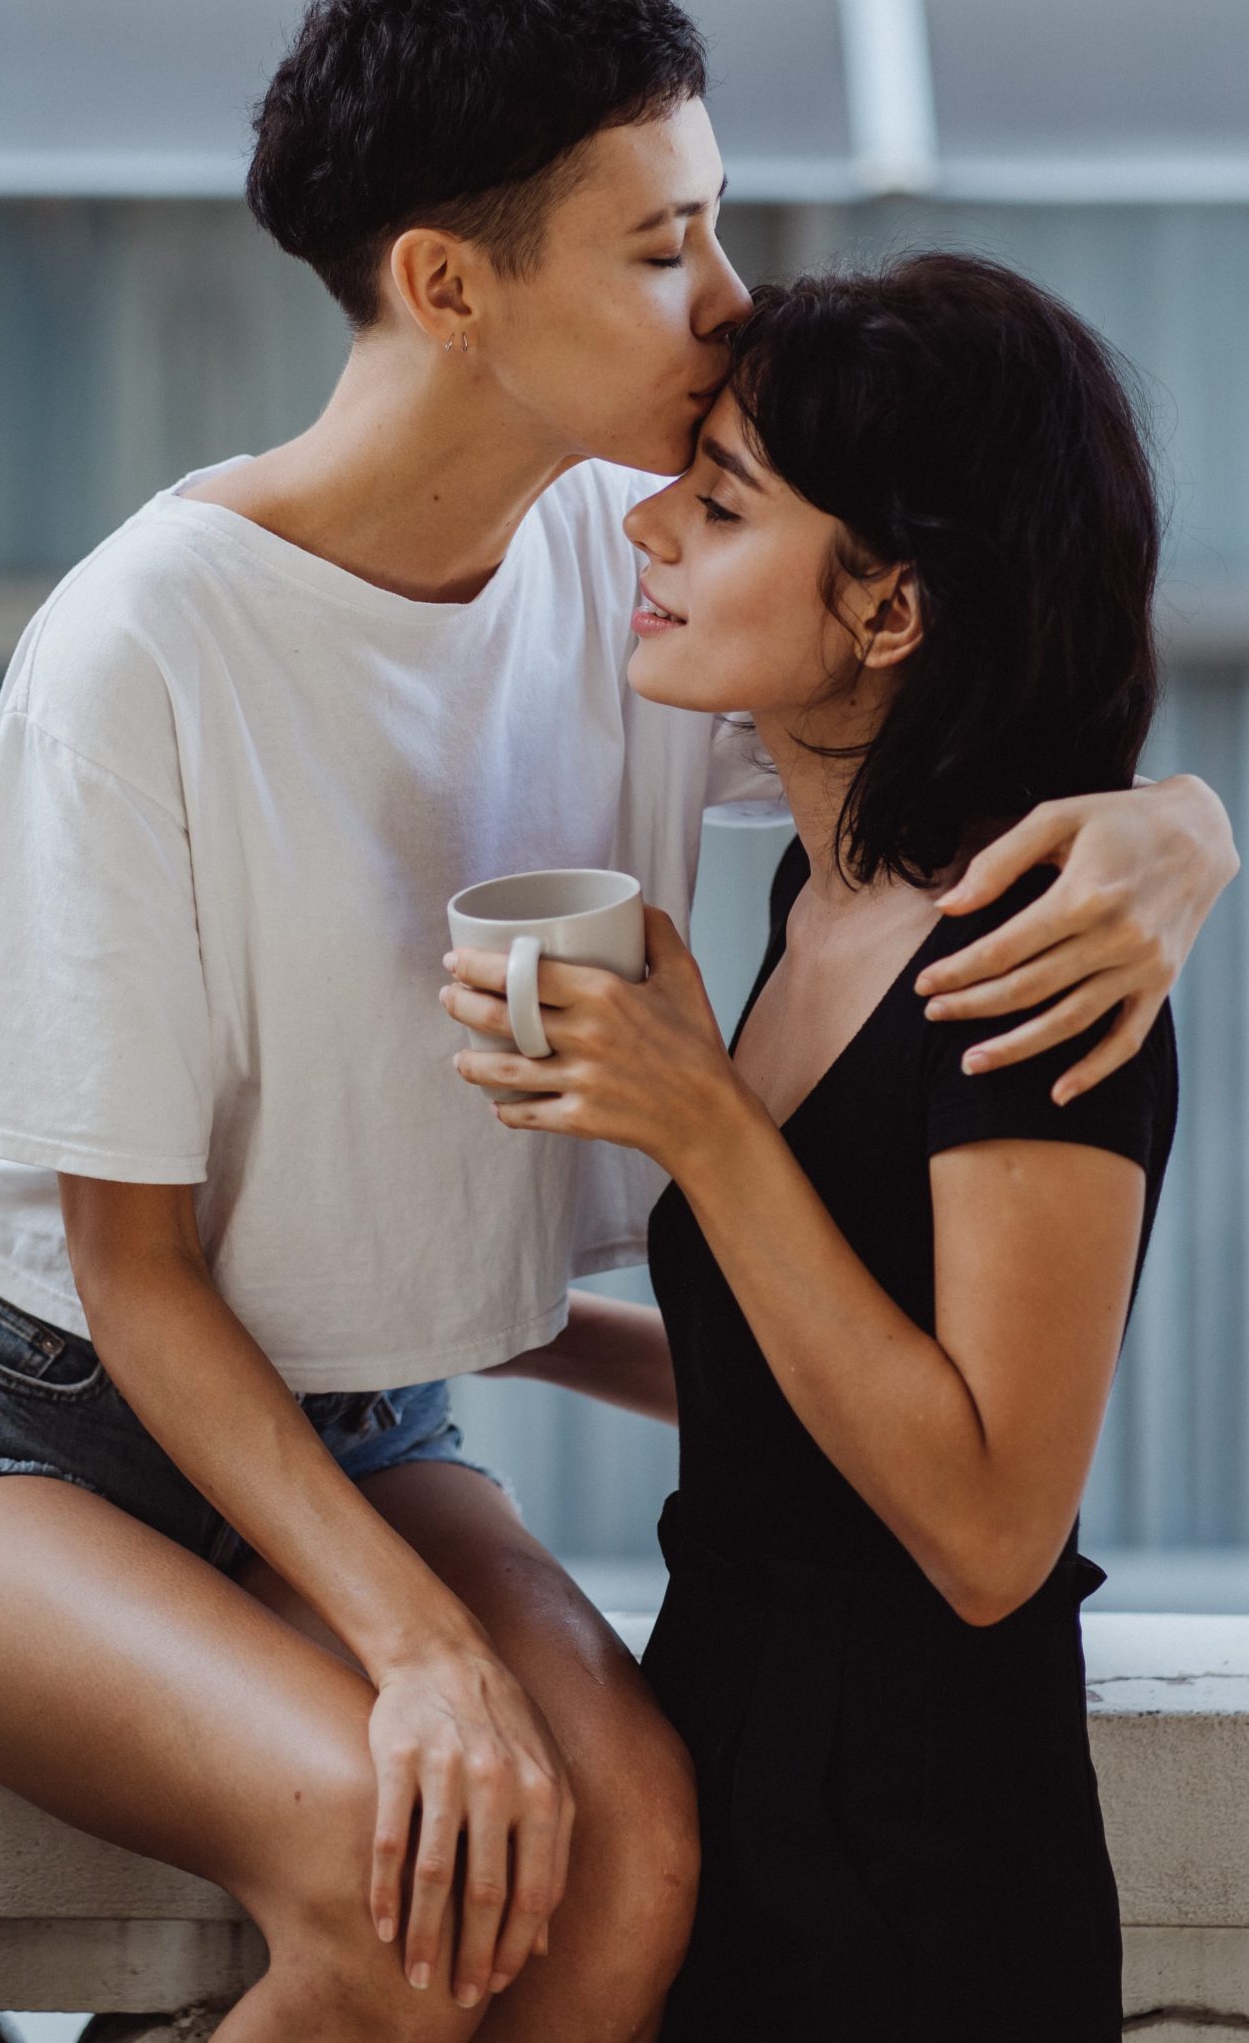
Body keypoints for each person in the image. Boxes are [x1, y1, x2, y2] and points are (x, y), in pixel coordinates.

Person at [0, 0, 1232, 2043]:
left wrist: (1181, 821)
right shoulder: (143, 648)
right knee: (403, 1888)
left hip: (364, 1420)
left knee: (623, 1870)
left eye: (715, 224)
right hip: (13, 1414)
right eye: (663, 246)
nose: (728, 299)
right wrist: (426, 1650)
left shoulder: (630, 571)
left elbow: (940, 698)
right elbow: (132, 1271)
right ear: (449, 286)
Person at [442, 250, 1187, 2039]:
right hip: (727, 1763)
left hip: (922, 1868)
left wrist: (699, 1117)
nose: (648, 532)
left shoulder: (1028, 961)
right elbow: (809, 1393)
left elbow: (990, 1523)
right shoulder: (819, 883)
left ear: (891, 608)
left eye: (720, 505)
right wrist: (495, 1320)